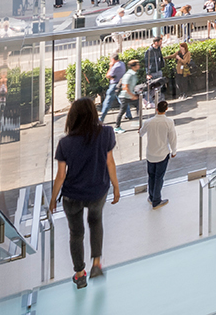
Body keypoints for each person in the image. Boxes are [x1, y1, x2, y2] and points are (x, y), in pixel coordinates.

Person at [48, 99, 119, 289]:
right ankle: (97, 263)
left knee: (76, 233)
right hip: (97, 191)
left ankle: (80, 274)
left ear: (72, 117)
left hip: (72, 195)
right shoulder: (106, 133)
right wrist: (116, 187)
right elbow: (110, 163)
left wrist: (53, 199)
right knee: (96, 223)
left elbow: (61, 176)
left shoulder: (65, 142)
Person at [140, 100, 177, 209]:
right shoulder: (169, 122)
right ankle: (156, 200)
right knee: (159, 178)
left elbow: (141, 133)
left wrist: (141, 130)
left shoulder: (148, 122)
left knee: (151, 176)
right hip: (162, 154)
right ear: (166, 109)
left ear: (156, 109)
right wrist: (174, 151)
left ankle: (151, 197)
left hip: (150, 154)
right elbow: (172, 138)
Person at [98, 53, 125, 124]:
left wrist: (110, 66)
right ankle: (128, 114)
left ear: (113, 59)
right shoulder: (122, 64)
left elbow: (108, 75)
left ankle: (101, 118)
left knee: (107, 102)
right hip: (120, 84)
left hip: (114, 85)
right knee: (122, 100)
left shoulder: (115, 66)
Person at [114, 60, 141, 128]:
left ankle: (138, 121)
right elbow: (125, 87)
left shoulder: (134, 74)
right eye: (137, 64)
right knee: (122, 111)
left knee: (138, 105)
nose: (139, 66)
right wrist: (132, 96)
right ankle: (117, 127)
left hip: (129, 95)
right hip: (125, 96)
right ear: (133, 67)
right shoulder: (128, 75)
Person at [144, 36, 166, 109]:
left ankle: (157, 102)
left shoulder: (158, 49)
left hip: (158, 70)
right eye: (160, 42)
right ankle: (150, 101)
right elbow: (147, 63)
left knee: (159, 87)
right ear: (156, 42)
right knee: (152, 88)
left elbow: (160, 57)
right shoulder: (149, 51)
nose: (161, 43)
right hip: (152, 72)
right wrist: (148, 73)